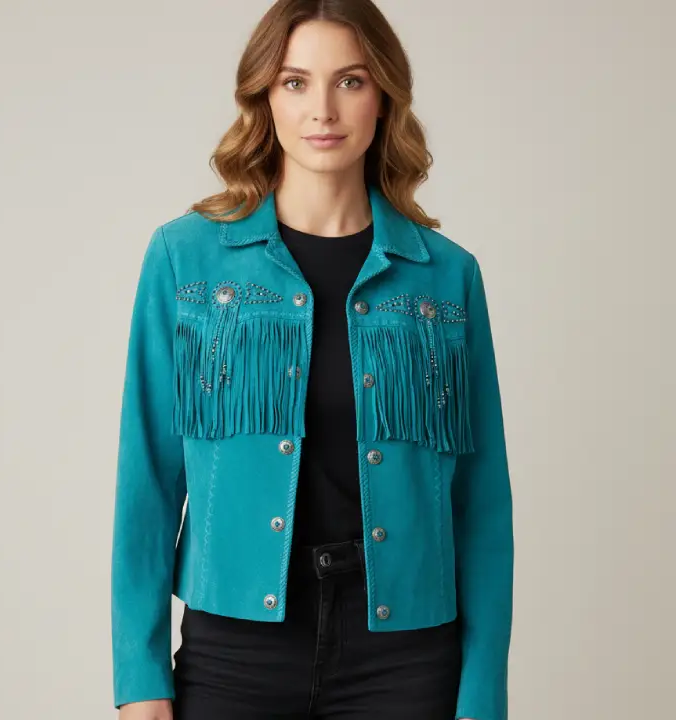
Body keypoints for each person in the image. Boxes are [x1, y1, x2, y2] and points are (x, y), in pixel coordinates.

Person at [111, 1, 514, 719]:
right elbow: (147, 477)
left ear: (384, 96)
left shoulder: (446, 277)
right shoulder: (186, 259)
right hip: (236, 653)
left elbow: (481, 505)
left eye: (350, 81)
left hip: (405, 660)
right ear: (264, 97)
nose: (322, 109)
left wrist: (482, 696)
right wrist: (139, 680)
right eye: (295, 82)